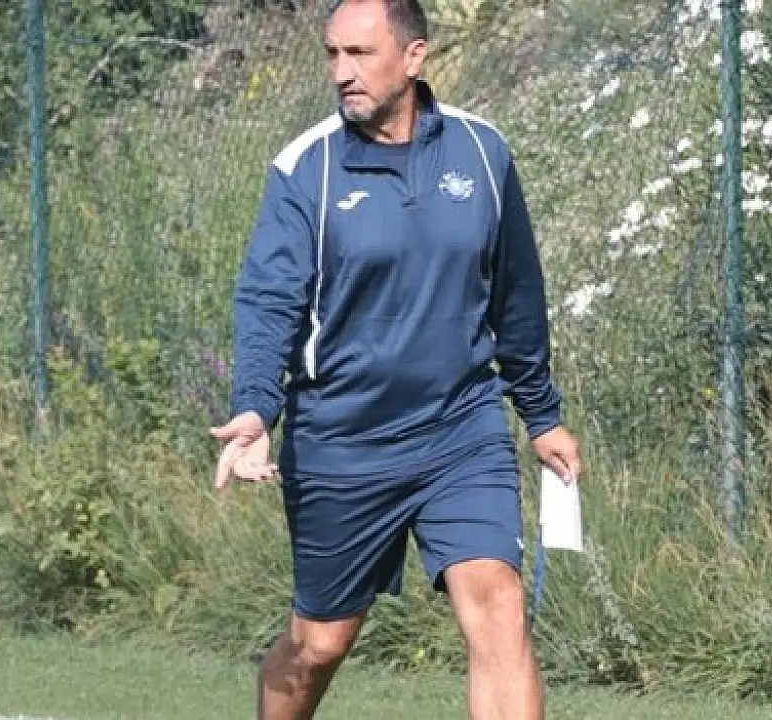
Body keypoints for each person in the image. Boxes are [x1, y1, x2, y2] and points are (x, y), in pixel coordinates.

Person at [208, 1, 581, 717]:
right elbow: (270, 302)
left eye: (360, 53)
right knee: (319, 646)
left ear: (414, 57)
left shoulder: (482, 153)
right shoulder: (307, 168)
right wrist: (255, 408)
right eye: (333, 54)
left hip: (461, 432)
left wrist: (542, 415)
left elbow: (516, 296)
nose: (341, 73)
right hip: (342, 442)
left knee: (499, 608)